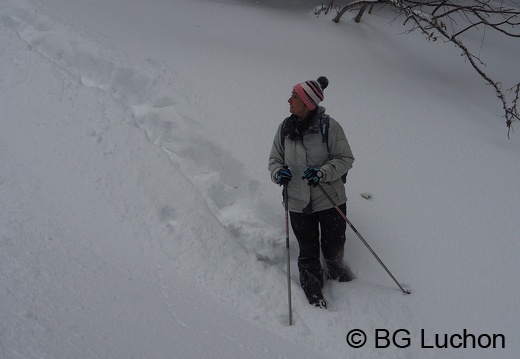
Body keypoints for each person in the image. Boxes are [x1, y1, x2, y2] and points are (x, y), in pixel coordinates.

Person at [268, 77, 355, 309]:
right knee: (307, 251)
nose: (289, 100)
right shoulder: (285, 128)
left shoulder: (329, 127)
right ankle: (313, 293)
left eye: (294, 96)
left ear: (307, 103)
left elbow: (346, 159)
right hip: (297, 202)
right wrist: (279, 173)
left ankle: (341, 280)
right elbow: (274, 160)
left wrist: (323, 173)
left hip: (330, 201)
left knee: (333, 245)